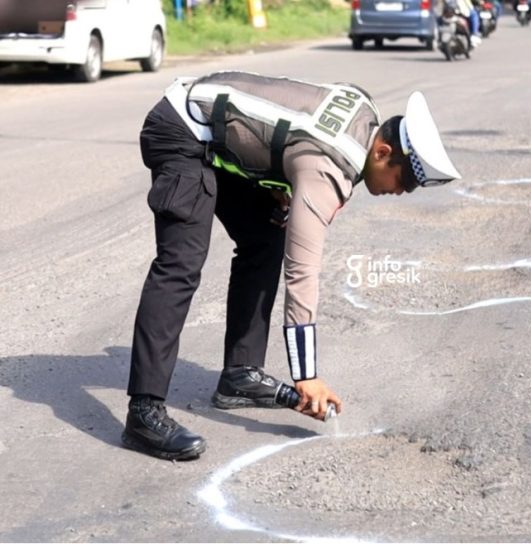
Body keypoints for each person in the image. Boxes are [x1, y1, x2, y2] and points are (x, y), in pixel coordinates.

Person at [121, 71, 461, 461]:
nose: (400, 192)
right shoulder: (328, 170)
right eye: (404, 181)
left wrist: (278, 187)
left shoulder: (364, 109)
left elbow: (287, 130)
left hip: (217, 138)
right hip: (181, 131)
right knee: (181, 264)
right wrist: (307, 376)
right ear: (382, 152)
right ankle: (144, 412)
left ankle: (240, 376)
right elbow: (302, 271)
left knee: (266, 235)